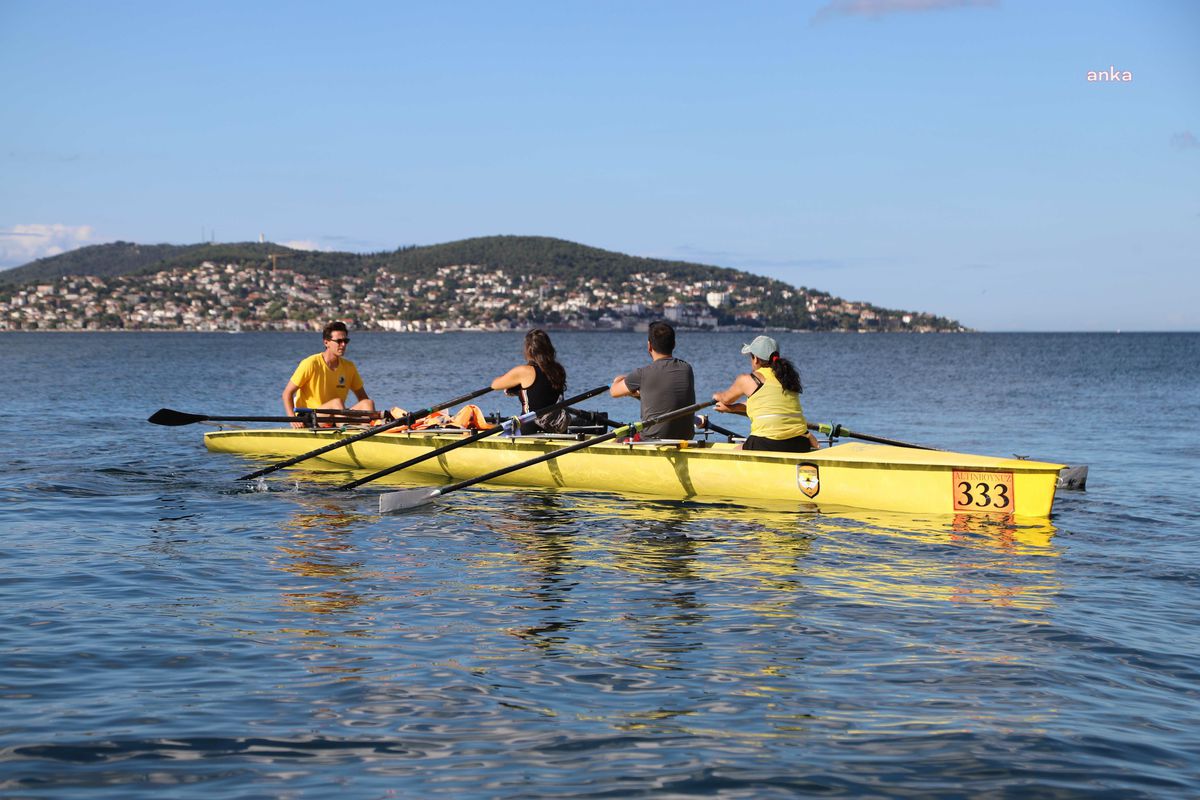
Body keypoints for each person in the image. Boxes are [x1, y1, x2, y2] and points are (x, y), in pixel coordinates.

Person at [712, 335, 818, 452]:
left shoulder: (748, 379)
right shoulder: (787, 378)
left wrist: (717, 397)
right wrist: (731, 409)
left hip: (766, 441)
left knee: (733, 453)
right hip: (800, 442)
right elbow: (765, 406)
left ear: (756, 359)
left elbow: (725, 399)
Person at [610, 320, 695, 440]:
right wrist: (640, 393)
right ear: (674, 344)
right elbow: (663, 394)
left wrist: (619, 379)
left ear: (649, 346)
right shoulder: (687, 368)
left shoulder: (642, 374)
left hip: (651, 440)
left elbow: (614, 392)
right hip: (685, 438)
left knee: (615, 439)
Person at [282, 321, 375, 428]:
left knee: (368, 403)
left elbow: (363, 398)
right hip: (311, 416)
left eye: (345, 341)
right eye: (339, 341)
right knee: (336, 403)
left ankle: (366, 436)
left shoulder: (349, 367)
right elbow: (287, 394)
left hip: (337, 414)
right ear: (326, 342)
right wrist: (292, 418)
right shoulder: (311, 363)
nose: (343, 344)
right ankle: (346, 431)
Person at [490, 328, 569, 434]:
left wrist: (514, 383)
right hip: (557, 426)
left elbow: (495, 385)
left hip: (530, 427)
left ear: (528, 350)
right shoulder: (558, 370)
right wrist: (519, 391)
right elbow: (541, 392)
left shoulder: (524, 371)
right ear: (549, 348)